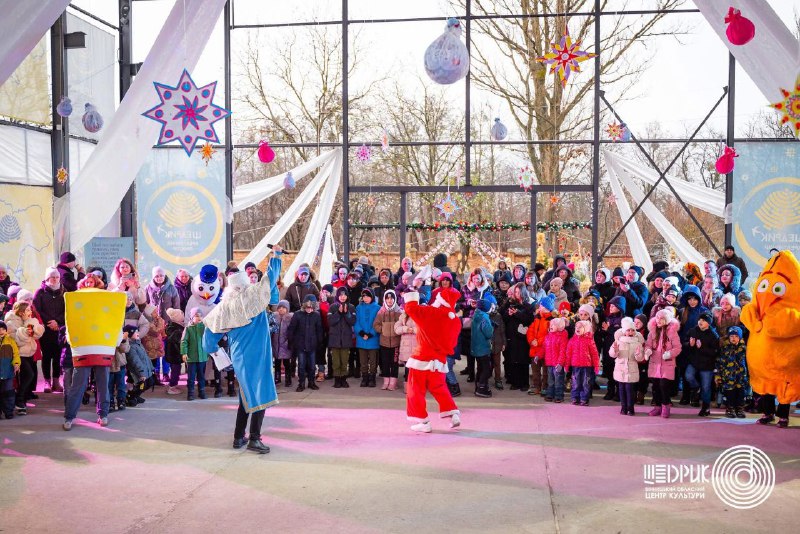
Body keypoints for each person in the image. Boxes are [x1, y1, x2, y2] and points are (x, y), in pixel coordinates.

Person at [202, 271, 277, 453]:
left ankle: (238, 437)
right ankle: (254, 438)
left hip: (240, 357)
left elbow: (208, 342)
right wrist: (276, 256)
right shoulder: (255, 298)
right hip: (259, 355)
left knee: (246, 396)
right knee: (260, 394)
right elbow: (271, 281)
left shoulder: (224, 308)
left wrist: (217, 353)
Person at [62, 288, 126, 429]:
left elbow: (69, 331)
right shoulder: (108, 309)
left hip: (82, 350)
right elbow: (117, 335)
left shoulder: (76, 308)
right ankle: (103, 415)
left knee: (78, 385)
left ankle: (69, 417)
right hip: (103, 349)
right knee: (103, 384)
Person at [402, 286, 462, 432]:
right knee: (439, 388)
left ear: (439, 299)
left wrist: (413, 288)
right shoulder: (455, 321)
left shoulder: (430, 312)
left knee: (415, 389)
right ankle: (453, 414)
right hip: (440, 360)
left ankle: (423, 422)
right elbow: (452, 344)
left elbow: (411, 309)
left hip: (421, 357)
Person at [33, 267, 66, 393]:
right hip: (45, 330)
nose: (55, 279)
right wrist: (49, 322)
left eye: (57, 277)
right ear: (47, 278)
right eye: (52, 277)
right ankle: (47, 381)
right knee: (47, 356)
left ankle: (56, 381)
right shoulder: (40, 292)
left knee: (58, 356)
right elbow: (37, 310)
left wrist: (57, 321)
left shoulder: (64, 291)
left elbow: (66, 310)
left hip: (59, 329)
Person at [683, 311, 719, 417]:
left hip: (707, 365)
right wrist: (690, 344)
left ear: (709, 323)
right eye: (700, 320)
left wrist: (702, 348)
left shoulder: (713, 335)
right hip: (694, 361)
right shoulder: (693, 330)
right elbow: (684, 343)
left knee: (706, 387)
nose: (700, 322)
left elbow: (715, 352)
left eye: (703, 320)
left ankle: (705, 407)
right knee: (688, 376)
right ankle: (695, 387)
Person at [11, 302, 44, 415]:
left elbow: (38, 333)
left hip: (30, 353)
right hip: (18, 354)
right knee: (29, 375)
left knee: (27, 376)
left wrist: (30, 324)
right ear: (21, 312)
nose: (31, 312)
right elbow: (16, 339)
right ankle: (19, 399)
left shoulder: (30, 320)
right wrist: (25, 330)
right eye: (28, 310)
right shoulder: (11, 321)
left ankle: (21, 402)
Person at [501, 282, 534, 392]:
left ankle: (525, 383)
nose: (517, 294)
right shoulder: (509, 303)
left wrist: (517, 313)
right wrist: (509, 314)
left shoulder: (528, 306)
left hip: (523, 338)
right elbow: (503, 319)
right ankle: (515, 382)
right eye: (515, 292)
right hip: (511, 336)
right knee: (513, 360)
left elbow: (529, 320)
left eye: (519, 292)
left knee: (523, 361)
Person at [609, 317, 645, 416]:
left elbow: (640, 358)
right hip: (620, 369)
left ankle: (630, 408)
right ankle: (623, 407)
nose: (630, 332)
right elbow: (612, 354)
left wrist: (638, 354)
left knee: (630, 390)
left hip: (631, 369)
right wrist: (615, 349)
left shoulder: (637, 343)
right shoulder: (618, 341)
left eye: (632, 330)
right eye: (628, 330)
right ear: (624, 331)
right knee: (621, 389)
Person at [287, 295, 323, 392]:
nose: (309, 309)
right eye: (307, 307)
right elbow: (292, 329)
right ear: (304, 306)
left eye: (311, 307)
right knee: (301, 365)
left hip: (312, 345)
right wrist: (291, 341)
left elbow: (319, 330)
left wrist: (320, 342)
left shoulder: (316, 315)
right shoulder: (298, 314)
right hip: (300, 344)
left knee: (312, 365)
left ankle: (311, 382)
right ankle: (301, 383)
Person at [715, 326, 748, 419]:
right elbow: (719, 363)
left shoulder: (744, 349)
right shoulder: (724, 349)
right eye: (732, 336)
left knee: (741, 394)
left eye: (736, 336)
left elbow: (749, 362)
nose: (734, 338)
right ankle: (730, 408)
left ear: (740, 337)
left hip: (741, 376)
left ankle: (740, 409)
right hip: (728, 377)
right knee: (730, 394)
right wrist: (718, 376)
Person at [565, 320, 600, 406]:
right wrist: (567, 365)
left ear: (586, 329)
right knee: (576, 383)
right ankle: (575, 397)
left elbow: (595, 354)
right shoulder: (572, 341)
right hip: (575, 366)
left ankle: (584, 398)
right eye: (576, 327)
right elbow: (568, 354)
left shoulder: (589, 340)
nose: (578, 328)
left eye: (580, 327)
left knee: (585, 383)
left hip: (586, 366)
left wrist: (596, 366)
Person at [374, 289, 402, 390]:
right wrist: (383, 329)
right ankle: (386, 381)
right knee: (385, 362)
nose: (389, 300)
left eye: (391, 298)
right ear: (384, 300)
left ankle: (393, 382)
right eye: (387, 298)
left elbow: (402, 324)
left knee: (394, 363)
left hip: (395, 343)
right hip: (384, 343)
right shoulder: (381, 312)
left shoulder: (399, 312)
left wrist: (396, 330)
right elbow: (376, 325)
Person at [527, 295, 554, 395]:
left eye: (541, 306)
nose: (539, 307)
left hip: (546, 350)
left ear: (546, 308)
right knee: (535, 371)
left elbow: (549, 334)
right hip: (534, 349)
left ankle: (545, 387)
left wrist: (538, 341)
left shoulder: (551, 320)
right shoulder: (537, 318)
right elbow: (530, 330)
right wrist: (531, 340)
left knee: (546, 371)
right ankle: (536, 387)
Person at [328, 288, 355, 389]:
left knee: (344, 360)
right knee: (336, 361)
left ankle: (343, 379)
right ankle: (337, 379)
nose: (342, 297)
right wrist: (338, 313)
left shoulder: (351, 307)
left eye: (344, 295)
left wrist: (346, 313)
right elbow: (330, 321)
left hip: (346, 339)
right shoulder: (332, 307)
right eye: (340, 295)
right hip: (335, 339)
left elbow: (352, 321)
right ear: (337, 296)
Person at [600, 296, 625, 401]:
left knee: (618, 371)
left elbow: (620, 334)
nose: (611, 308)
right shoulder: (608, 318)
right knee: (609, 370)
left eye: (614, 306)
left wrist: (608, 329)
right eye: (610, 305)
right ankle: (610, 391)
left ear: (620, 307)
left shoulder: (623, 320)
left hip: (618, 348)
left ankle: (619, 393)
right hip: (607, 348)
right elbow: (603, 332)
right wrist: (604, 330)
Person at [181, 307, 209, 401]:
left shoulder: (205, 328)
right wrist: (184, 353)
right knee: (191, 376)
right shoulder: (188, 329)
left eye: (201, 316)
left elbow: (208, 340)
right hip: (191, 358)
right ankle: (191, 393)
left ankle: (202, 391)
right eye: (196, 316)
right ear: (192, 318)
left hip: (202, 357)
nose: (199, 318)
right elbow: (184, 341)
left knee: (201, 376)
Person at [123, 324, 154, 408]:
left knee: (149, 383)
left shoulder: (138, 344)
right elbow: (135, 361)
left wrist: (151, 368)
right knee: (140, 385)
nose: (138, 333)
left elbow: (146, 358)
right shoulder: (131, 347)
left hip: (144, 370)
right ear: (129, 334)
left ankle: (136, 396)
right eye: (135, 331)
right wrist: (141, 373)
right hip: (137, 371)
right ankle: (131, 397)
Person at [355, 288, 380, 387]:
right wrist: (361, 333)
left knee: (373, 361)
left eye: (368, 296)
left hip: (373, 339)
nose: (365, 298)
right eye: (364, 296)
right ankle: (364, 377)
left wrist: (370, 334)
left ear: (372, 297)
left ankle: (372, 378)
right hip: (361, 339)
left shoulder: (378, 308)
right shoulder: (358, 307)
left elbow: (378, 323)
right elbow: (356, 322)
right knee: (363, 361)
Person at [470, 298, 494, 398]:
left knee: (480, 368)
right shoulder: (484, 318)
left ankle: (478, 386)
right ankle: (482, 388)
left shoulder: (476, 315)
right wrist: (492, 326)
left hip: (476, 347)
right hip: (483, 347)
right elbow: (488, 333)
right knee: (486, 369)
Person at [542, 317, 568, 403]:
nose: (550, 326)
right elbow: (543, 348)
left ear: (559, 326)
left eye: (553, 325)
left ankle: (559, 396)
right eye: (550, 325)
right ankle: (550, 394)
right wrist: (538, 355)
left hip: (557, 365)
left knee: (558, 381)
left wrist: (560, 363)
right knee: (550, 380)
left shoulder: (562, 337)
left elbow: (563, 352)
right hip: (549, 363)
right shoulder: (548, 337)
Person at [0, 320, 20, 419]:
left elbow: (16, 354)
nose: (1, 331)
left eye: (3, 329)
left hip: (8, 371)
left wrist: (16, 363)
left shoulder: (11, 341)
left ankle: (9, 411)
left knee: (9, 392)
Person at [271, 300, 294, 387]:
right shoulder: (274, 317)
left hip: (286, 344)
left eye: (283, 308)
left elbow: (292, 331)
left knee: (286, 362)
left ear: (287, 309)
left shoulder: (290, 318)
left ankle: (288, 378)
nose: (281, 309)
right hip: (276, 343)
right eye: (279, 308)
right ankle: (277, 377)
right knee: (276, 362)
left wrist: (289, 341)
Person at [164, 308, 186, 395]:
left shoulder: (174, 327)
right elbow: (177, 339)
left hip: (174, 353)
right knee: (175, 370)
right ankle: (172, 386)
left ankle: (174, 384)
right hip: (174, 353)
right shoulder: (174, 328)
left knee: (176, 369)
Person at [108, 331, 129, 412]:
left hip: (120, 364)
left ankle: (121, 400)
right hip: (108, 364)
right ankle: (110, 402)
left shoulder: (122, 333)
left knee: (121, 384)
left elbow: (125, 349)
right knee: (109, 385)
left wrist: (123, 340)